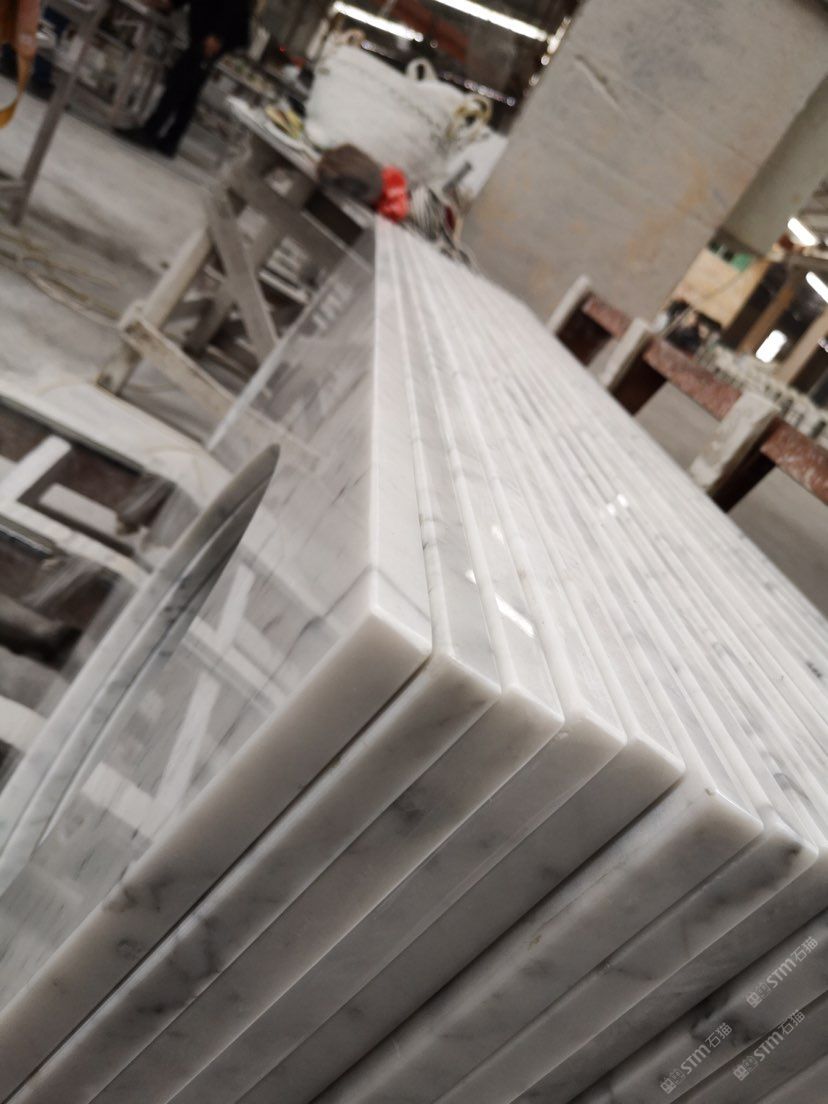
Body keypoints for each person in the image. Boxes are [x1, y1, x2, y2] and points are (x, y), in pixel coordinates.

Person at [119, 0, 252, 157]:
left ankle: (150, 132)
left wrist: (218, 35)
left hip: (220, 31)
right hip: (211, 29)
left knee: (180, 79)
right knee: (190, 88)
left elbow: (235, 5)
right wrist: (165, 4)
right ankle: (170, 142)